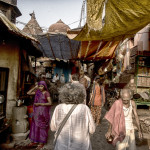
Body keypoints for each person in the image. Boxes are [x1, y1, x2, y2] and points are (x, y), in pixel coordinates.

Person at [50, 83, 95, 150]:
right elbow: (92, 130)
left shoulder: (58, 108)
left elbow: (53, 128)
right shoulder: (84, 108)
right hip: (81, 146)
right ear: (80, 95)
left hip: (61, 146)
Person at [27, 81, 52, 149]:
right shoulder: (37, 92)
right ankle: (35, 140)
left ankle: (41, 142)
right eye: (39, 86)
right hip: (36, 112)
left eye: (42, 86)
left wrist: (40, 104)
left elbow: (50, 103)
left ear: (44, 86)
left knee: (42, 127)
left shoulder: (46, 93)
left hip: (43, 113)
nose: (40, 88)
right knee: (35, 126)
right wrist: (35, 87)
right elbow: (28, 93)